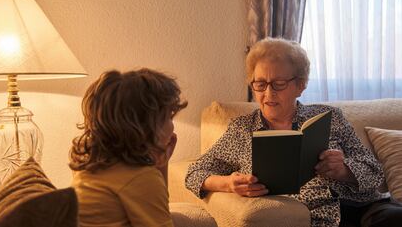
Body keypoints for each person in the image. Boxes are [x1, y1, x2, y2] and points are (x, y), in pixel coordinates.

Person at [185, 37, 402, 227]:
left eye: (278, 84)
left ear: (300, 85)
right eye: (260, 84)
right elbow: (194, 173)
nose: (268, 93)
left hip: (368, 207)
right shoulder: (242, 129)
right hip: (314, 218)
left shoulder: (330, 117)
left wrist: (344, 169)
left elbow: (375, 171)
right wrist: (228, 184)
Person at [70, 69, 187, 227]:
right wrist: (157, 163)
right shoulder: (141, 177)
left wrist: (159, 161)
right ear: (144, 128)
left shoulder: (88, 159)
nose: (172, 126)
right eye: (168, 117)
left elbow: (157, 211)